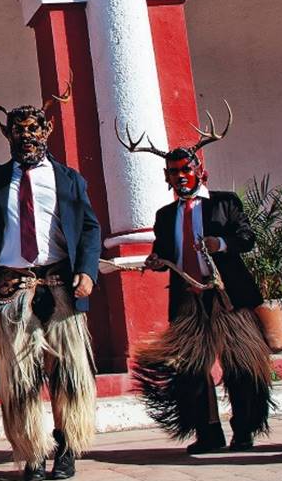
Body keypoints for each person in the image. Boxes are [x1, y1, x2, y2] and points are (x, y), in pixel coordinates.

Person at [0, 83, 100, 481]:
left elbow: (89, 227)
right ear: (6, 134)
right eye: (18, 130)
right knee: (20, 377)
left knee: (67, 372)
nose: (26, 137)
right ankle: (31, 452)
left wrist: (88, 272)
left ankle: (66, 447)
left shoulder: (69, 180)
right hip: (13, 288)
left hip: (59, 284)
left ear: (47, 131)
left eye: (33, 130)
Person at [117, 103, 273, 453]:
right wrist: (157, 260)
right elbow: (164, 252)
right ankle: (208, 433)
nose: (180, 176)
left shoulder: (225, 203)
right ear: (167, 177)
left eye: (186, 169)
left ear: (199, 170)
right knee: (191, 369)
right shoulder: (165, 215)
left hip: (228, 298)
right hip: (190, 302)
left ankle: (244, 430)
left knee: (240, 365)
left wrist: (221, 243)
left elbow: (247, 238)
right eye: (174, 172)